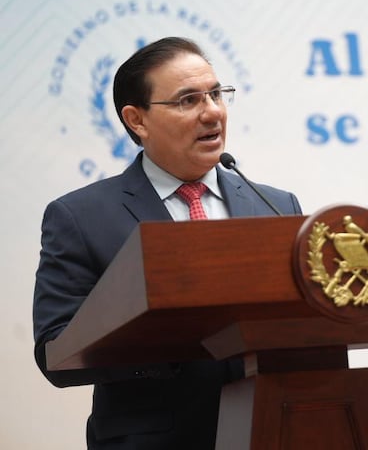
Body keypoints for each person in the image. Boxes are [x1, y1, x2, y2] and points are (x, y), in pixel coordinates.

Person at [33, 36, 302, 449]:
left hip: (271, 430)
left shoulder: (276, 205)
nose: (211, 111)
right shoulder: (81, 217)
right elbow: (55, 351)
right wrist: (169, 342)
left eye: (216, 94)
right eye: (188, 100)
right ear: (137, 120)